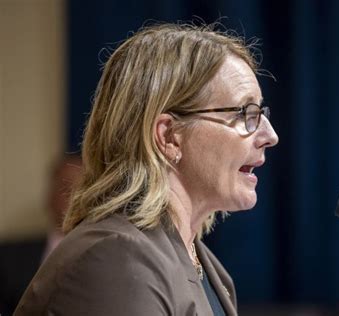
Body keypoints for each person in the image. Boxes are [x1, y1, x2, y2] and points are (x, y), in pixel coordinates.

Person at [14, 22, 278, 316]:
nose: (270, 135)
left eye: (261, 113)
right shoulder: (116, 261)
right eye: (245, 113)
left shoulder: (210, 269)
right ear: (168, 136)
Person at [0, 155, 82, 315]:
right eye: (66, 187)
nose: (73, 197)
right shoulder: (6, 257)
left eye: (80, 189)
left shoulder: (110, 255)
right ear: (49, 196)